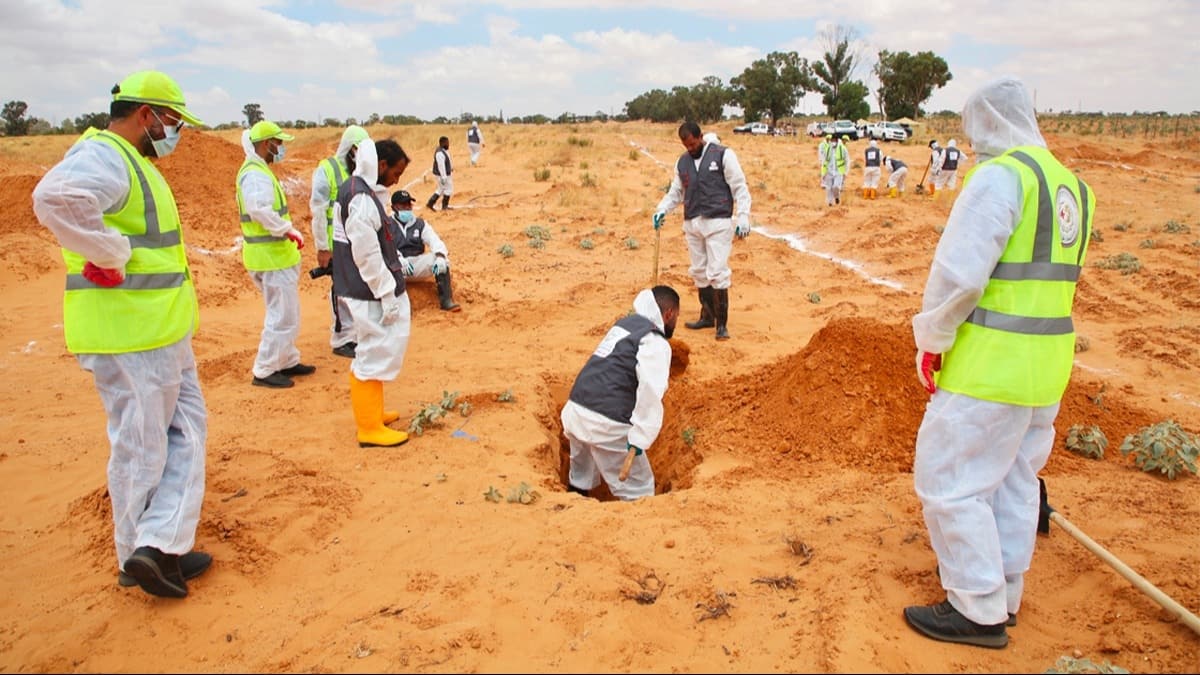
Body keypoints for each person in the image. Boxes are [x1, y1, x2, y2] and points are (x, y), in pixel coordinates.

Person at [904, 75, 1096, 649]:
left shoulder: (1000, 178)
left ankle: (976, 608)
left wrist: (932, 339)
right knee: (1015, 480)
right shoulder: (1072, 187)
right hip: (1047, 367)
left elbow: (960, 277)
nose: (970, 141)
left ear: (986, 121)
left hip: (991, 366)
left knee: (949, 482)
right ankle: (1005, 593)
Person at [31, 70, 212, 599]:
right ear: (146, 116)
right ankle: (144, 553)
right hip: (131, 332)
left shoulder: (133, 162)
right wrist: (108, 252)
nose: (175, 133)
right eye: (172, 122)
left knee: (183, 435)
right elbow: (57, 197)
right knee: (142, 447)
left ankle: (158, 546)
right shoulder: (106, 155)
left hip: (159, 328)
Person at [331, 136, 414, 448]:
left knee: (376, 348)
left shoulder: (359, 191)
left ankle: (374, 413)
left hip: (365, 288)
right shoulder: (361, 198)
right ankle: (368, 428)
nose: (396, 180)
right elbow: (366, 255)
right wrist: (386, 292)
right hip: (367, 290)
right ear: (381, 165)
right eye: (396, 173)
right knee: (372, 350)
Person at [561, 286, 680, 501]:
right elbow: (650, 391)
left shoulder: (623, 325)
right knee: (639, 489)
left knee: (581, 473)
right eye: (676, 317)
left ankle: (572, 506)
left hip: (575, 411)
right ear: (669, 314)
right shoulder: (655, 341)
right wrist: (640, 437)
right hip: (606, 424)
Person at [653, 121, 751, 341]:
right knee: (699, 271)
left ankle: (721, 325)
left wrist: (743, 216)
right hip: (693, 223)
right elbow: (676, 192)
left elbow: (739, 186)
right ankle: (707, 315)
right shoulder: (682, 162)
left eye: (692, 144)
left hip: (718, 222)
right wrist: (661, 210)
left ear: (700, 137)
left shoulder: (723, 155)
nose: (689, 148)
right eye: (685, 145)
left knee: (717, 272)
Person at [236, 120, 314, 389]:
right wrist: (286, 229)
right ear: (266, 143)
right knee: (280, 315)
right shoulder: (255, 174)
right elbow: (258, 208)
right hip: (270, 257)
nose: (281, 149)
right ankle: (266, 368)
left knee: (288, 313)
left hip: (275, 257)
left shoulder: (259, 170)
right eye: (278, 143)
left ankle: (286, 360)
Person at [309, 125, 370, 358]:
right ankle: (342, 338)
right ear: (350, 148)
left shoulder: (359, 171)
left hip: (355, 242)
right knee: (341, 291)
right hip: (336, 244)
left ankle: (354, 334)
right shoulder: (327, 170)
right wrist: (322, 248)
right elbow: (318, 210)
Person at [390, 189, 461, 312]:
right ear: (394, 207)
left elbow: (434, 240)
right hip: (397, 267)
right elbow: (385, 246)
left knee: (442, 260)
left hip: (415, 266)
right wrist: (398, 259)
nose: (407, 208)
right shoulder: (387, 224)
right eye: (403, 205)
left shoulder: (420, 224)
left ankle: (446, 300)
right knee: (380, 262)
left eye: (409, 205)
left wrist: (440, 256)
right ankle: (394, 306)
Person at [425, 135, 453, 211]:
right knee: (448, 189)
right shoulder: (440, 153)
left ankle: (430, 203)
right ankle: (444, 206)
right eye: (447, 143)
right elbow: (441, 166)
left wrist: (451, 168)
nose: (448, 144)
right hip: (442, 175)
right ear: (443, 143)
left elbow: (448, 161)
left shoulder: (443, 151)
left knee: (440, 189)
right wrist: (444, 177)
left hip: (444, 174)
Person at [821, 134, 850, 206]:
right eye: (832, 140)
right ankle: (830, 203)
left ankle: (837, 197)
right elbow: (824, 161)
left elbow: (847, 160)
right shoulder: (827, 148)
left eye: (834, 140)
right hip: (829, 171)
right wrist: (823, 173)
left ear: (837, 140)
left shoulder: (842, 148)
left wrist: (846, 172)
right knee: (828, 189)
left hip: (839, 172)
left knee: (836, 187)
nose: (833, 142)